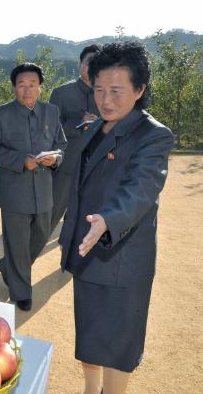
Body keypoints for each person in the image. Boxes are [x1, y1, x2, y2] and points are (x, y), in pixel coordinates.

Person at [58, 41, 174, 394]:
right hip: (86, 248)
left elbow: (141, 188)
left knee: (119, 342)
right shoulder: (94, 128)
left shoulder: (153, 136)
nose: (106, 100)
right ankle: (91, 390)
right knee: (90, 334)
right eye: (99, 90)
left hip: (121, 256)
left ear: (139, 90)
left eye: (116, 91)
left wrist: (109, 219)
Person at [0, 63, 67, 311]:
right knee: (18, 242)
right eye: (21, 85)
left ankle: (9, 267)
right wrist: (21, 160)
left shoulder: (51, 112)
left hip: (44, 189)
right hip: (14, 190)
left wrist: (56, 158)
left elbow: (61, 144)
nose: (27, 89)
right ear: (14, 87)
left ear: (40, 87)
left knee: (41, 236)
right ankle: (21, 291)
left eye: (32, 84)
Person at [49, 44, 101, 232]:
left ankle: (70, 261)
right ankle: (22, 259)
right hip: (66, 168)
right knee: (49, 219)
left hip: (96, 169)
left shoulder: (107, 95)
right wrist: (79, 124)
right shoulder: (61, 93)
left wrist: (100, 125)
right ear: (80, 63)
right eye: (89, 62)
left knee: (84, 224)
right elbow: (49, 130)